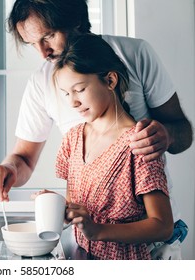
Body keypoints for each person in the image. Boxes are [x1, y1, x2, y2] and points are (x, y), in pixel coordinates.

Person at [0, 0, 192, 258]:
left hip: (148, 248)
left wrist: (168, 135)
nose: (42, 53)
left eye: (48, 36)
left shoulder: (136, 54)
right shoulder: (45, 87)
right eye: (31, 44)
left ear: (76, 20)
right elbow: (24, 159)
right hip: (88, 246)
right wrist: (9, 169)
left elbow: (184, 133)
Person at [53, 33, 173, 260]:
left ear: (110, 81)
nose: (72, 102)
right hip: (82, 256)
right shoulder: (73, 138)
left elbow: (162, 225)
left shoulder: (139, 144)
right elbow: (76, 206)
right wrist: (56, 206)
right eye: (67, 93)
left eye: (79, 89)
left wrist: (98, 231)